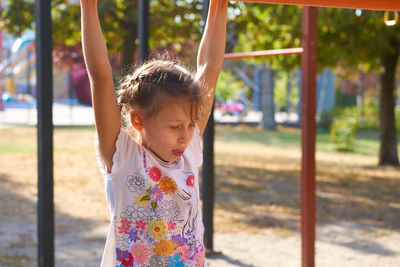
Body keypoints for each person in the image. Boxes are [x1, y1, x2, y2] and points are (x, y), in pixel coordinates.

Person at [80, 0, 227, 266]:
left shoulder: (188, 150)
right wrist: (88, 9)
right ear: (138, 120)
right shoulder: (123, 156)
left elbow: (209, 68)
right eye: (174, 127)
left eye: (191, 124)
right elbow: (100, 77)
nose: (186, 135)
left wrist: (219, 8)